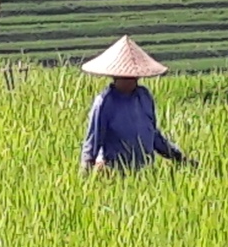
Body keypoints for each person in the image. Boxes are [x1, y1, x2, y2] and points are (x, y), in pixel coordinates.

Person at [78, 35, 197, 174]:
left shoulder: (144, 97)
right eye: (126, 77)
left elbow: (153, 135)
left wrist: (179, 157)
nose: (131, 81)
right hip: (114, 173)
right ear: (116, 76)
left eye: (133, 77)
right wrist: (85, 173)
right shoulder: (105, 102)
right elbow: (92, 141)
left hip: (144, 172)